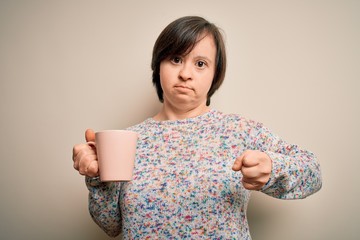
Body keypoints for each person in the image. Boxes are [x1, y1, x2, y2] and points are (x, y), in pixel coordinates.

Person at [72, 16, 322, 239]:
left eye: (200, 64)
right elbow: (110, 225)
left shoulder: (240, 131)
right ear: (159, 64)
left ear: (215, 74)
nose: (185, 73)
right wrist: (96, 178)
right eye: (176, 59)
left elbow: (313, 173)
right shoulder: (126, 141)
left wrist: (273, 168)